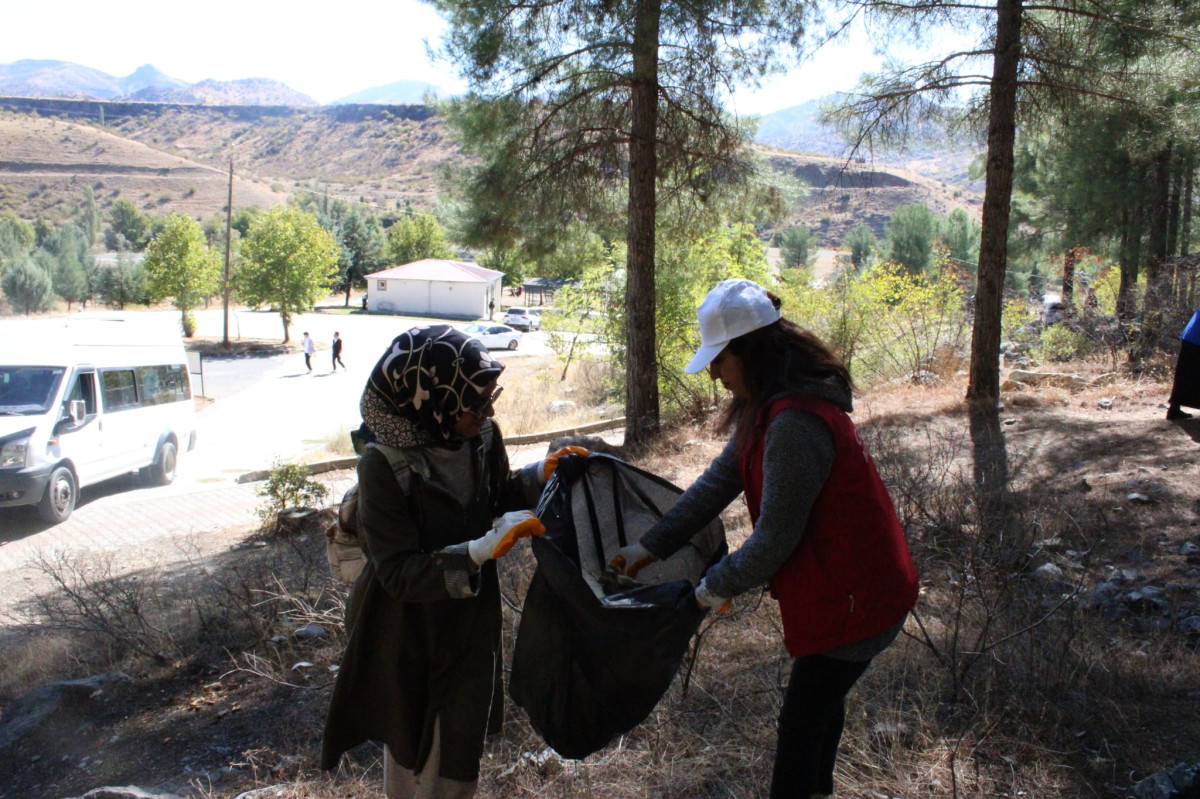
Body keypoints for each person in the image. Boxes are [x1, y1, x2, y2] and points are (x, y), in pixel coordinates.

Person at [608, 278, 918, 799]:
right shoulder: (769, 403)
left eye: (720, 360)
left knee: (802, 724)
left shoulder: (795, 421)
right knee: (818, 711)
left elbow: (776, 537)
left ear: (750, 352)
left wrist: (710, 591)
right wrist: (649, 547)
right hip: (849, 589)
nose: (713, 373)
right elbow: (719, 480)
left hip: (858, 597)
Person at [321, 325, 585, 799]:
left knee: (460, 750)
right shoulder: (385, 465)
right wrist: (478, 552)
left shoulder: (480, 435)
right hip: (404, 628)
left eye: (490, 398)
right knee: (412, 754)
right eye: (475, 402)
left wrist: (536, 475)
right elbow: (398, 572)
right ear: (433, 401)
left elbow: (495, 496)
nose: (488, 412)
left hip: (468, 622)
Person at [1167, 303, 1200, 420]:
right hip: (1196, 337)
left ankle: (1174, 409)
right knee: (1186, 374)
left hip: (1191, 336)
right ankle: (1174, 410)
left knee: (1184, 374)